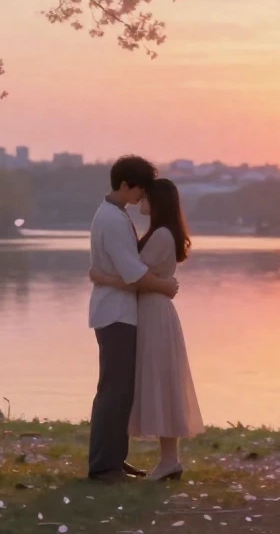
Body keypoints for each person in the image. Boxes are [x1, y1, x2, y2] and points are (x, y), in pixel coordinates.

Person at [89, 177, 204, 481]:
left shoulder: (162, 236)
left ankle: (169, 460)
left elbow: (134, 277)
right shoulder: (159, 233)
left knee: (162, 382)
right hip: (150, 309)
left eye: (146, 197)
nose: (141, 201)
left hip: (153, 312)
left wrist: (100, 276)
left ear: (158, 201)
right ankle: (167, 460)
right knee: (158, 382)